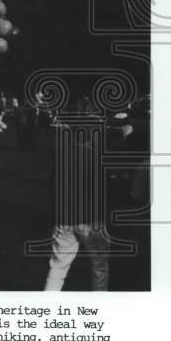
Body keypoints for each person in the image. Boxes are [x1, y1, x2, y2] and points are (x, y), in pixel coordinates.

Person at [43, 97, 110, 291]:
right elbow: (101, 194)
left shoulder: (62, 157)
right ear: (92, 137)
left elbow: (52, 189)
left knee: (57, 268)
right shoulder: (94, 159)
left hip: (64, 219)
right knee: (99, 267)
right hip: (91, 221)